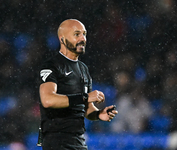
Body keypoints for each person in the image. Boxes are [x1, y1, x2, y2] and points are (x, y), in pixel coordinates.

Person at [38, 19, 118, 150]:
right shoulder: (52, 66)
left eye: (84, 34)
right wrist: (85, 97)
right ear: (62, 39)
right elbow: (48, 100)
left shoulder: (83, 69)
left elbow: (86, 108)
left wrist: (98, 114)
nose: (83, 38)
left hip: (78, 140)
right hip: (56, 141)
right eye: (77, 34)